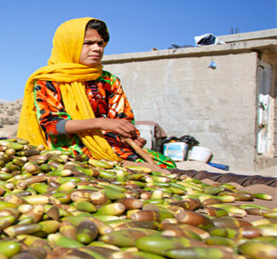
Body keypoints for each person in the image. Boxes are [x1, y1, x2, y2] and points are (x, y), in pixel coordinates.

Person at [17, 17, 174, 168]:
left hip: (108, 145)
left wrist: (131, 137)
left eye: (101, 43)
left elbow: (122, 119)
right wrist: (100, 122)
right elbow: (52, 125)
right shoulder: (49, 80)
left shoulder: (109, 80)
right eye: (88, 43)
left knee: (164, 165)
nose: (97, 48)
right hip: (70, 151)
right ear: (69, 45)